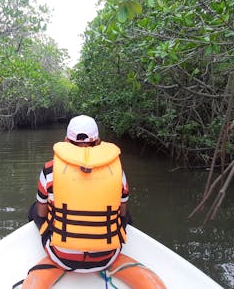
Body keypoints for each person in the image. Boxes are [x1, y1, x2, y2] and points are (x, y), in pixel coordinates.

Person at [21, 115, 166, 288]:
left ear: (66, 140)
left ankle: (62, 247)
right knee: (124, 212)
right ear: (97, 142)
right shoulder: (118, 171)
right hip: (108, 256)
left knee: (35, 208)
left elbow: (41, 213)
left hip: (61, 256)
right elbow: (122, 213)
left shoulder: (49, 170)